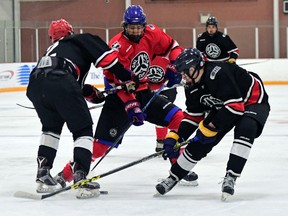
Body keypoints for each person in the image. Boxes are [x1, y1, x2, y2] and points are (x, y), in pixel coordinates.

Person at [55, 5, 198, 187]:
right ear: (124, 26)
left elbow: (172, 47)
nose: (136, 30)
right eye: (131, 27)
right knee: (100, 147)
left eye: (139, 27)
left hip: (144, 93)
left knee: (179, 119)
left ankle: (178, 167)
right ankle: (65, 175)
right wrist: (131, 105)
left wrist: (177, 66)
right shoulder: (117, 46)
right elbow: (116, 81)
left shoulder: (152, 33)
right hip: (120, 99)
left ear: (144, 25)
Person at [26, 18, 137, 199]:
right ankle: (81, 177)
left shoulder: (52, 50)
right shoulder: (80, 39)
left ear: (52, 37)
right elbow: (108, 60)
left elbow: (67, 80)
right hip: (61, 81)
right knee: (83, 129)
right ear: (71, 32)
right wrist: (127, 76)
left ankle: (43, 175)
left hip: (36, 83)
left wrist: (90, 93)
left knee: (51, 127)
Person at [155, 48, 270, 201]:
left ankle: (231, 176)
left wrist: (210, 127)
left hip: (252, 100)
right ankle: (174, 177)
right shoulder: (192, 85)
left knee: (245, 128)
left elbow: (235, 108)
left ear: (193, 68)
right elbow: (194, 115)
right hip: (226, 104)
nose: (183, 77)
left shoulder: (218, 73)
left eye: (184, 72)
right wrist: (177, 135)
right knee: (201, 142)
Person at [147, 56, 179, 152]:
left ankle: (163, 141)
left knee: (162, 113)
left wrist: (175, 76)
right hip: (148, 90)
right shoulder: (145, 53)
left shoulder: (168, 53)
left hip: (167, 90)